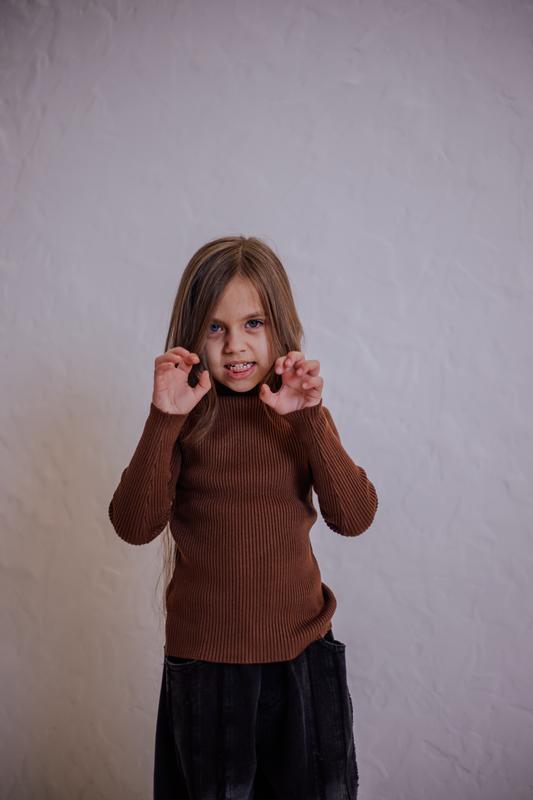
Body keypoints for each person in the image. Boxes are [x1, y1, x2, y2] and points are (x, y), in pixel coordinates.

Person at [108, 235, 379, 800]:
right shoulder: (184, 419)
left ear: (280, 325)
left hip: (302, 661)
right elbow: (133, 526)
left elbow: (354, 516)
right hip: (207, 670)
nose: (235, 345)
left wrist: (310, 418)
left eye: (253, 323)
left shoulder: (298, 414)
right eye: (216, 327)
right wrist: (163, 418)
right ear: (193, 334)